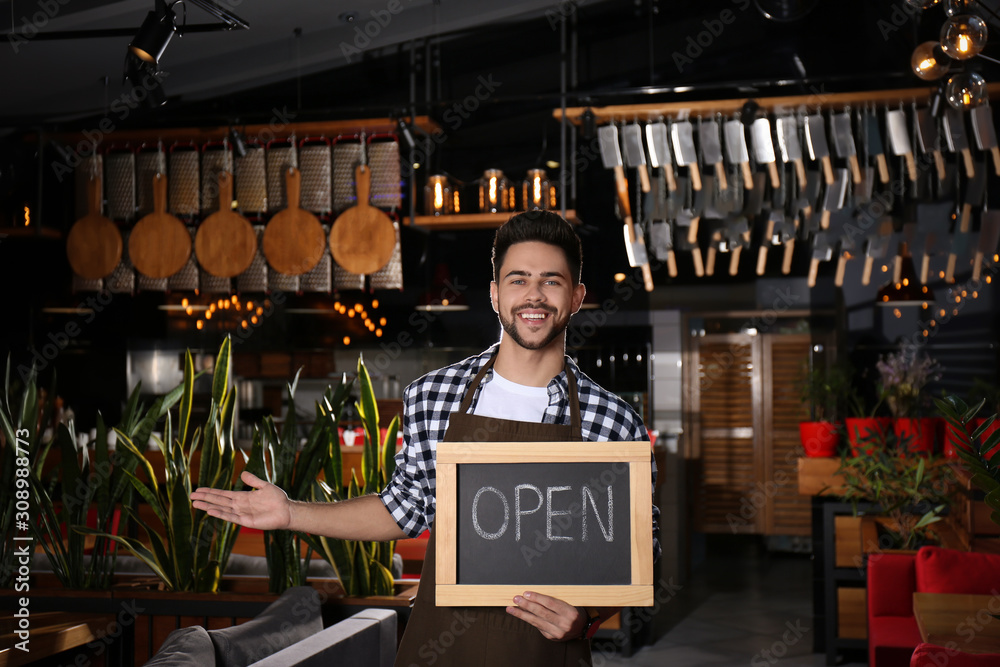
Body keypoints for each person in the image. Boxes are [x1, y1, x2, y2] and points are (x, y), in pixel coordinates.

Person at [192, 210, 660, 666]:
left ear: (576, 296)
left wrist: (588, 618)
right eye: (518, 279)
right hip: (440, 644)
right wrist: (291, 513)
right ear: (496, 295)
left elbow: (643, 552)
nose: (533, 295)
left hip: (546, 650)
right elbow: (405, 510)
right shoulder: (434, 395)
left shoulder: (614, 422)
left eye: (551, 281)